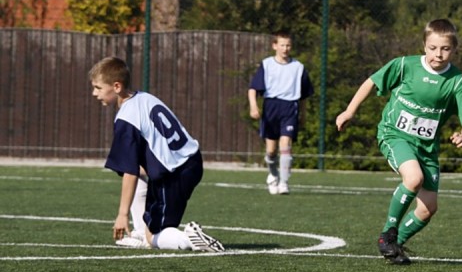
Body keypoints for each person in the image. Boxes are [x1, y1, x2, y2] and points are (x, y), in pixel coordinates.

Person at [335, 19, 462, 264]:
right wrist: (349, 111)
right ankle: (388, 233)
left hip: (427, 148)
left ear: (455, 49)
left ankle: (395, 245)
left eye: (445, 49)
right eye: (433, 48)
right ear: (424, 46)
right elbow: (372, 81)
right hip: (395, 135)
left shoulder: (457, 80)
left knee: (428, 209)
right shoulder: (405, 65)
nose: (438, 54)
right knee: (414, 179)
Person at [89, 56, 224, 251]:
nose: (94, 93)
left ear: (117, 86)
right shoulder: (144, 97)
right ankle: (141, 231)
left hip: (174, 173)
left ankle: (189, 238)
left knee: (154, 236)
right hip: (191, 160)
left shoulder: (127, 117)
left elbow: (130, 171)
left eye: (98, 88)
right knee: (140, 173)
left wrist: (122, 215)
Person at [248, 31, 314, 195]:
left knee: (285, 144)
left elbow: (304, 96)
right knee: (271, 151)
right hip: (271, 107)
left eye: (288, 45)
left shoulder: (298, 67)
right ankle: (273, 175)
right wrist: (254, 107)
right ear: (275, 46)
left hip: (290, 107)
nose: (285, 49)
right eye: (282, 45)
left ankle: (284, 183)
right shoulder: (267, 65)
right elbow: (253, 88)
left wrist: (303, 115)